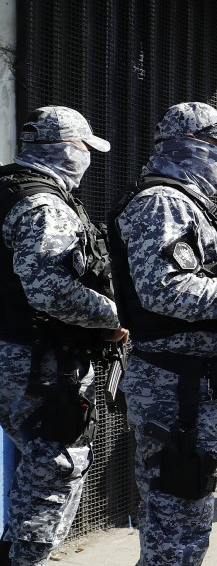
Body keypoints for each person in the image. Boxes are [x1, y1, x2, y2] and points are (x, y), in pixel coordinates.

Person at [110, 102, 217, 566]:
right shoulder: (162, 202)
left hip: (189, 385)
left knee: (180, 515)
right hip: (172, 387)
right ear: (191, 146)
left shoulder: (187, 203)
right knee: (176, 519)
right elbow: (164, 288)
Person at [0, 107, 127, 566]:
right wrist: (113, 315)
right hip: (35, 361)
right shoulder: (44, 204)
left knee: (37, 462)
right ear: (67, 150)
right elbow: (48, 289)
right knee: (56, 466)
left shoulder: (8, 189)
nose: (87, 160)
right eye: (84, 150)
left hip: (18, 354)